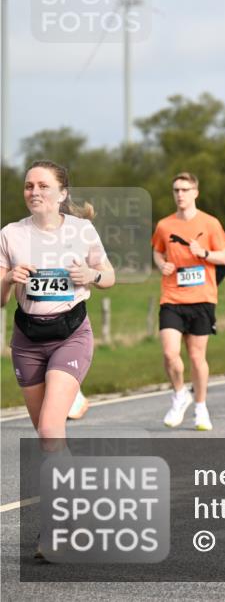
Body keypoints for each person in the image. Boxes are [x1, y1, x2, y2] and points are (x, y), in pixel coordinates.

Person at [0, 161, 116, 558]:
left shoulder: (81, 230)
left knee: (51, 429)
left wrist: (91, 276)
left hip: (70, 334)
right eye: (28, 185)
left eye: (43, 185)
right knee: (49, 439)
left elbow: (109, 275)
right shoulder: (10, 234)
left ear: (62, 193)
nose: (34, 191)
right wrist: (8, 278)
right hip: (28, 340)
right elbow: (0, 299)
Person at [152, 172, 225, 431]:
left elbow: (224, 257)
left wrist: (204, 253)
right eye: (176, 190)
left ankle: (200, 407)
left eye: (185, 189)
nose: (180, 194)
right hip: (172, 297)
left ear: (195, 193)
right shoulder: (164, 225)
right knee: (169, 353)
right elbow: (157, 251)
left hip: (202, 298)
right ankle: (180, 394)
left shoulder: (210, 223)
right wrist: (161, 264)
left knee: (197, 357)